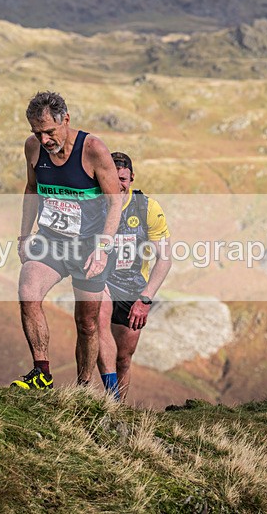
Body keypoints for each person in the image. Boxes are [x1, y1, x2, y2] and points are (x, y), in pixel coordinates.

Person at [11, 91, 122, 390]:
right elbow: (32, 189)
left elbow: (115, 202)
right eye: (37, 132)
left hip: (89, 248)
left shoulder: (93, 150)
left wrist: (102, 249)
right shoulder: (33, 148)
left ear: (66, 120)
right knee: (28, 290)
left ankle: (84, 386)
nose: (45, 140)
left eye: (50, 131)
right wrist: (24, 235)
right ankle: (41, 372)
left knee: (87, 323)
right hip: (51, 242)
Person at [97, 152, 172, 401]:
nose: (118, 185)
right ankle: (103, 394)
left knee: (124, 357)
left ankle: (118, 407)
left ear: (131, 178)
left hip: (133, 289)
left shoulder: (146, 207)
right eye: (113, 178)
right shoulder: (95, 203)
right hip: (102, 283)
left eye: (123, 179)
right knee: (96, 324)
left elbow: (165, 258)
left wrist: (145, 299)